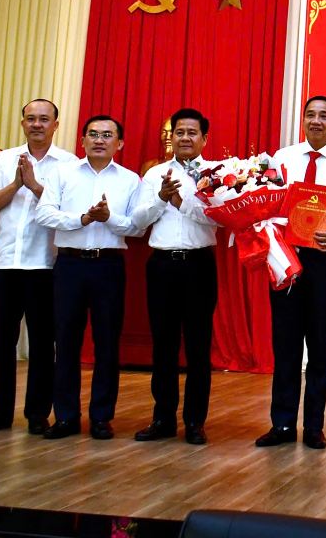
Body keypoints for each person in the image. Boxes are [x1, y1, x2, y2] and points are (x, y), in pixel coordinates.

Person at [256, 96, 326, 450]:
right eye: (310, 115)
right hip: (285, 256)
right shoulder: (282, 158)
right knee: (285, 342)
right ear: (303, 120)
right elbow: (265, 200)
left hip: (323, 257)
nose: (316, 121)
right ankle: (282, 424)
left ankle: (314, 425)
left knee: (319, 343)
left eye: (324, 116)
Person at [35, 115, 143, 440]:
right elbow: (44, 213)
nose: (99, 140)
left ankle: (101, 417)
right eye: (93, 134)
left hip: (108, 267)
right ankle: (66, 416)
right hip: (69, 266)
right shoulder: (62, 173)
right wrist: (81, 219)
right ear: (82, 140)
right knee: (65, 342)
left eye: (107, 135)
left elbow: (137, 227)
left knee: (107, 343)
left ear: (119, 143)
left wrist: (109, 219)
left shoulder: (130, 180)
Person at [0, 98, 76, 434]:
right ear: (22, 123)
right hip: (5, 262)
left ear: (55, 125)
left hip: (45, 264)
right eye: (30, 118)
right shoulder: (5, 159)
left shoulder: (69, 164)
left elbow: (66, 211)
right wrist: (16, 183)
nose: (36, 124)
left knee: (43, 343)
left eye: (44, 119)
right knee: (2, 341)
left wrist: (33, 185)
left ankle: (36, 413)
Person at [131, 108, 219, 445]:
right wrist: (160, 199)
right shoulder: (155, 175)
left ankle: (195, 422)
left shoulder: (217, 174)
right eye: (179, 132)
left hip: (199, 265)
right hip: (162, 265)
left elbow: (218, 219)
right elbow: (138, 221)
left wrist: (182, 201)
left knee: (198, 347)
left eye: (191, 132)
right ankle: (162, 418)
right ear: (172, 137)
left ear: (204, 138)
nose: (184, 137)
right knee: (163, 345)